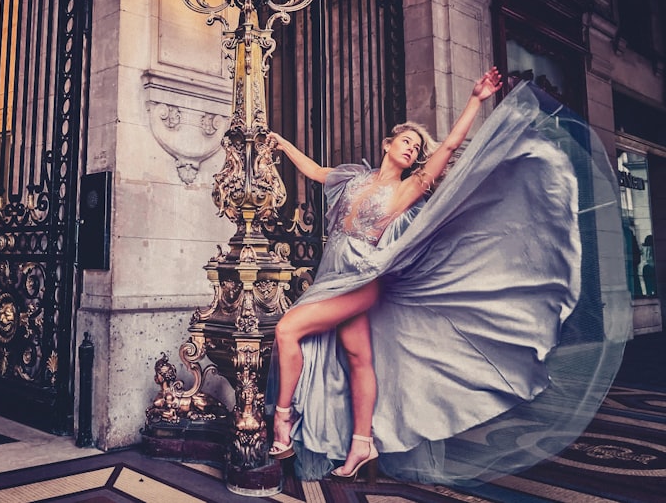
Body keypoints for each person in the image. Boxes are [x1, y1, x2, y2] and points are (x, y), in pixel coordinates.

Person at [264, 70, 631, 485]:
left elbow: (452, 144)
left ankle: (282, 422)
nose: (411, 148)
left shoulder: (411, 188)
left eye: (417, 147)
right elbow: (313, 171)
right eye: (406, 140)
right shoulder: (354, 177)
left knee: (287, 329)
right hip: (331, 272)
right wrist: (281, 144)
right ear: (388, 143)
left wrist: (476, 100)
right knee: (358, 358)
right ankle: (362, 443)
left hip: (361, 277)